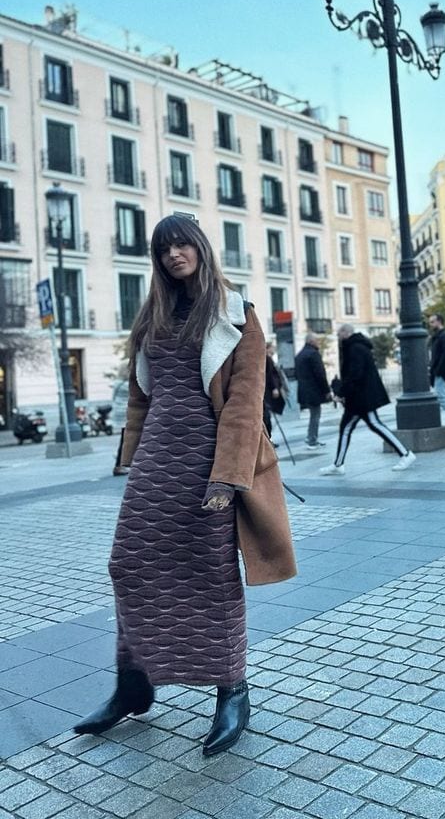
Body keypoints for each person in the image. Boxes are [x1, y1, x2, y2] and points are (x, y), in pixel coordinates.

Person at [74, 215, 296, 757]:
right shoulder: (152, 314)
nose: (173, 254)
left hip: (208, 457)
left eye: (181, 244)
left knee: (210, 571)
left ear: (199, 247)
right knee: (128, 563)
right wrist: (132, 455)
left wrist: (227, 476)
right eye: (163, 248)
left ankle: (232, 691)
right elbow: (140, 396)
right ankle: (135, 683)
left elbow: (245, 405)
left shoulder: (234, 312)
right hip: (157, 458)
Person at [320, 324, 415, 475]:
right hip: (359, 397)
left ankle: (406, 454)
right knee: (348, 428)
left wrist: (342, 392)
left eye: (339, 334)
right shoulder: (356, 346)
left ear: (346, 333)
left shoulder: (355, 348)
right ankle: (338, 464)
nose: (338, 337)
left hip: (362, 397)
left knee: (374, 425)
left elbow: (355, 374)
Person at [294, 332, 331, 450]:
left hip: (304, 390)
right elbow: (320, 374)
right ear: (310, 341)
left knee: (313, 414)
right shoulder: (313, 354)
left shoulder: (299, 355)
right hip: (314, 391)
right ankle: (312, 439)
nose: (318, 342)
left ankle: (311, 437)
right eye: (316, 340)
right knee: (315, 415)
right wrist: (327, 390)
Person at [263, 342, 288, 441]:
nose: (274, 350)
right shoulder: (267, 359)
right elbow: (270, 375)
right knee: (269, 415)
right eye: (272, 348)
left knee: (270, 414)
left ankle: (269, 438)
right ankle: (268, 438)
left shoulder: (268, 359)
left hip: (269, 390)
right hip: (269, 391)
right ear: (267, 348)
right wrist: (274, 388)